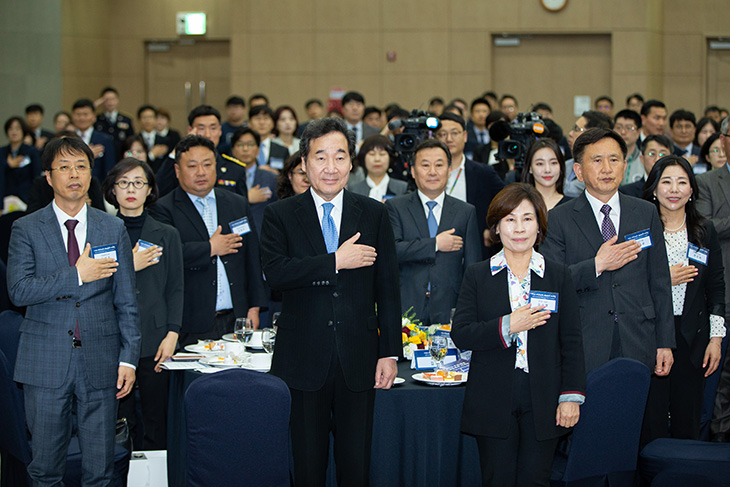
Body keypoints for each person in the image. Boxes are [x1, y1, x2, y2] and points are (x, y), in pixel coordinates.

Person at [259, 117, 402, 486]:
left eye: (340, 156)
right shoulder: (280, 214)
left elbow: (387, 287)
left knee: (356, 467)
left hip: (359, 358)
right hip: (302, 359)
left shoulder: (373, 212)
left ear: (351, 163)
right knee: (307, 468)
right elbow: (275, 274)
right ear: (303, 163)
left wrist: (389, 351)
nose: (331, 166)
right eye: (320, 157)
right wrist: (335, 261)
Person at [6, 136, 140, 485]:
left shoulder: (112, 226)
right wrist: (76, 275)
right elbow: (18, 291)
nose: (73, 174)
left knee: (100, 470)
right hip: (44, 361)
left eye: (81, 166)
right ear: (49, 177)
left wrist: (128, 359)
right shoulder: (25, 228)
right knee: (46, 469)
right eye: (63, 167)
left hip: (102, 359)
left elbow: (126, 301)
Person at [451, 183, 585, 487]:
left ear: (539, 225)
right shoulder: (478, 274)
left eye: (527, 218)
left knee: (535, 480)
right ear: (497, 228)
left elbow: (573, 341)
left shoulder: (557, 274)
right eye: (510, 219)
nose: (519, 228)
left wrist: (571, 397)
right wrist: (509, 324)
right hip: (493, 393)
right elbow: (461, 333)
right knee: (497, 479)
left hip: (545, 395)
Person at [540, 128, 675, 375]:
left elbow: (660, 281)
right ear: (578, 171)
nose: (607, 168)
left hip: (638, 337)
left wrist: (665, 342)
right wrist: (596, 265)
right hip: (586, 338)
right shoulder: (558, 219)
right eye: (597, 160)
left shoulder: (645, 213)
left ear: (624, 165)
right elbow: (552, 283)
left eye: (614, 160)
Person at [149, 135, 266, 346]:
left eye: (207, 165)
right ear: (177, 171)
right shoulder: (163, 209)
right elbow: (166, 257)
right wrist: (210, 248)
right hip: (190, 322)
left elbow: (252, 257)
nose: (201, 172)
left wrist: (254, 307)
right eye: (192, 166)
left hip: (237, 319)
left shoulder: (236, 203)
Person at [640, 155, 725, 445]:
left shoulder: (704, 230)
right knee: (649, 423)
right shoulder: (640, 232)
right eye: (666, 181)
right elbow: (626, 285)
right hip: (649, 335)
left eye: (682, 182)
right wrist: (664, 278)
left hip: (693, 338)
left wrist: (716, 339)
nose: (673, 189)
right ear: (654, 188)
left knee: (687, 422)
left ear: (691, 190)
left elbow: (716, 288)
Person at [102, 158, 183, 450]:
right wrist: (128, 266)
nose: (131, 189)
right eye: (123, 183)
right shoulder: (99, 234)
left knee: (155, 420)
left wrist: (172, 334)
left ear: (150, 189)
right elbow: (89, 285)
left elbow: (176, 288)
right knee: (118, 423)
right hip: (112, 340)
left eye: (138, 182)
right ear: (112, 190)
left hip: (156, 339)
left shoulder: (168, 234)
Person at [386, 138, 480, 325]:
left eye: (439, 165)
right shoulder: (395, 207)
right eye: (425, 165)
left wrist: (468, 307)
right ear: (413, 171)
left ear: (449, 169)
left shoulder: (466, 211)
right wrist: (435, 244)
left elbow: (472, 266)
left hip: (449, 307)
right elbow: (392, 251)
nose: (432, 172)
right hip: (406, 305)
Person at [696, 116, 730, 441]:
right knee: (720, 383)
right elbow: (707, 226)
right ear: (723, 140)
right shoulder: (706, 182)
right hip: (725, 295)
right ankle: (719, 449)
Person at [436, 112, 505, 259]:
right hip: (437, 248)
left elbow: (506, 200)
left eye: (454, 133)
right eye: (442, 134)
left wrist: (492, 228)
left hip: (474, 250)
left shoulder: (483, 173)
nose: (449, 139)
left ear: (465, 136)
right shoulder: (428, 174)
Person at [155, 105, 248, 198]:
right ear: (190, 131)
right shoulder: (182, 167)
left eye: (213, 128)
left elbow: (242, 208)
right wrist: (179, 149)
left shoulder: (235, 169)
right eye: (201, 128)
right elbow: (158, 190)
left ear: (220, 131)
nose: (207, 135)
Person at [231, 126, 278, 235]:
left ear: (257, 149)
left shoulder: (271, 178)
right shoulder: (224, 178)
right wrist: (247, 198)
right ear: (233, 150)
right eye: (240, 145)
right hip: (234, 237)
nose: (245, 149)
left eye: (250, 145)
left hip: (263, 235)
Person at [563, 110, 613, 198]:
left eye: (577, 129)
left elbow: (570, 190)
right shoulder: (567, 164)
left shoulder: (597, 168)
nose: (570, 133)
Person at [348, 134, 408, 201]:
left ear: (390, 158)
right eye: (372, 154)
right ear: (363, 158)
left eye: (382, 154)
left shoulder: (403, 188)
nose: (377, 159)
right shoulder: (353, 190)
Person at [71, 98, 116, 181]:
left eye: (85, 114)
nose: (82, 118)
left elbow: (109, 168)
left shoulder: (104, 139)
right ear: (73, 116)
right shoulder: (69, 139)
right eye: (78, 114)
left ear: (94, 116)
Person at [1, 116, 41, 205]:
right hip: (6, 199)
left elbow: (36, 176)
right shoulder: (2, 152)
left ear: (23, 131)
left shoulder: (32, 151)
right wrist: (7, 165)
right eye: (11, 129)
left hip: (26, 199)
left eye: (17, 128)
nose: (14, 132)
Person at [521, 138, 569, 211]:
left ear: (561, 166)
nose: (547, 170)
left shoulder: (573, 206)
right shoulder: (519, 205)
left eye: (553, 163)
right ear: (530, 168)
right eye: (540, 164)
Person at [619, 134, 673, 198]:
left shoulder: (678, 191)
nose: (657, 159)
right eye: (652, 154)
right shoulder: (627, 193)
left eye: (662, 154)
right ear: (642, 159)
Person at [94, 87, 135, 155]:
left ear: (117, 100)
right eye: (107, 99)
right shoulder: (96, 120)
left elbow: (131, 141)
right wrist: (94, 106)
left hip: (121, 156)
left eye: (113, 99)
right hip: (103, 156)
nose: (110, 102)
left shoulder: (126, 120)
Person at [248, 104, 290, 172]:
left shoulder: (282, 151)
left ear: (273, 124)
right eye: (257, 118)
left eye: (266, 118)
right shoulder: (243, 149)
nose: (262, 122)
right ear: (249, 123)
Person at [614, 109, 644, 185]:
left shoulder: (643, 161)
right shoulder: (603, 158)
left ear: (638, 132)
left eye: (629, 128)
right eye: (619, 127)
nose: (623, 132)